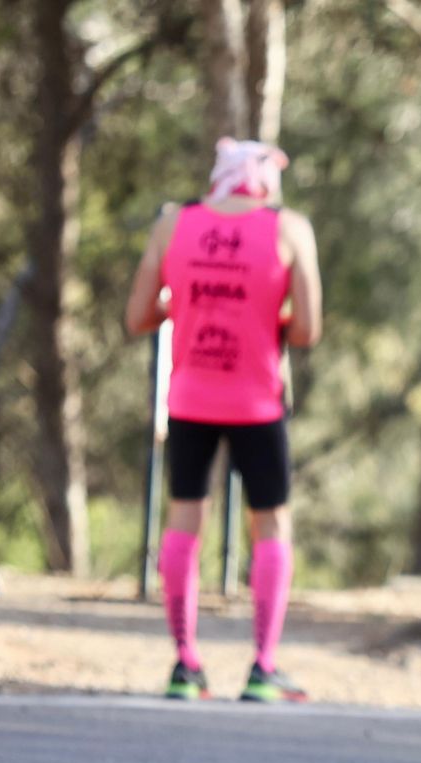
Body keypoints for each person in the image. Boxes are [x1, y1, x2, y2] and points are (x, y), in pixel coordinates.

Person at [124, 138, 322, 702]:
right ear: (265, 182)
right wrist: (268, 312)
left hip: (189, 397)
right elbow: (307, 330)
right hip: (257, 401)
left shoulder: (173, 224)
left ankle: (185, 664)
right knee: (272, 522)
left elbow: (138, 315)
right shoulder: (290, 229)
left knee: (185, 516)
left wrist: (185, 305)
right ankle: (263, 666)